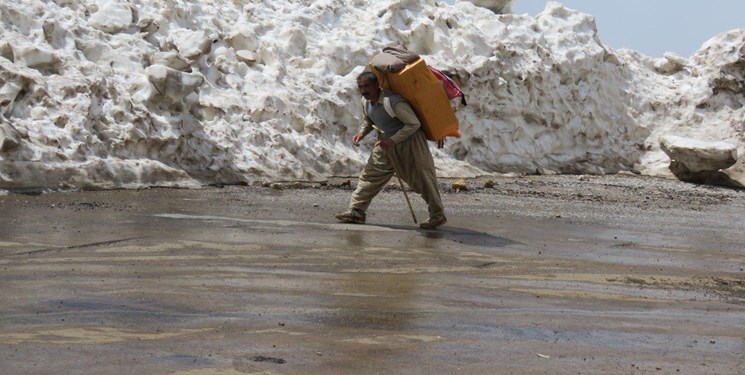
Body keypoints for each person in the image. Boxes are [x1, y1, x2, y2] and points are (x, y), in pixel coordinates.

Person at [335, 71, 447, 230]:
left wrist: (392, 141)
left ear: (377, 85)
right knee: (370, 176)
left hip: (410, 143)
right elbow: (369, 120)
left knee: (422, 179)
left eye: (367, 86)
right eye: (360, 87)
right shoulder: (365, 102)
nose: (364, 90)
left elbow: (413, 124)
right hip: (385, 144)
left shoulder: (393, 102)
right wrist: (362, 133)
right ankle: (357, 211)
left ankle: (437, 215)